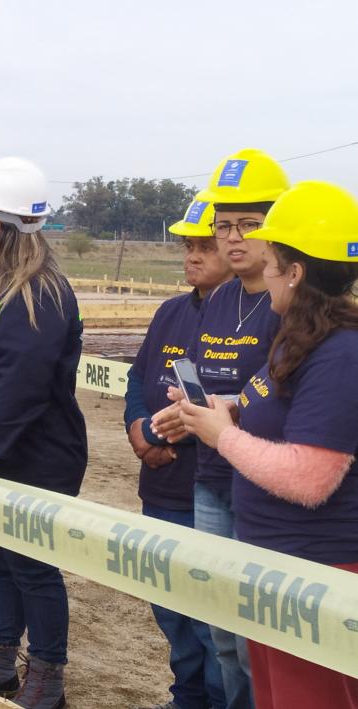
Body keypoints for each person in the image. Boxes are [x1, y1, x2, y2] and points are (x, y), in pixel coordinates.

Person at [176, 180, 358, 709]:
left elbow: (309, 478)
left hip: (315, 577)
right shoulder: (299, 337)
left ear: (295, 271)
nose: (263, 268)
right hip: (279, 565)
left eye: (272, 257)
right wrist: (230, 409)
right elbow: (278, 412)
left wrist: (222, 435)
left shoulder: (339, 352)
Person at [152, 148, 289, 709]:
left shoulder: (289, 301)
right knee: (223, 630)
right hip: (210, 477)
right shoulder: (222, 296)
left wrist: (223, 410)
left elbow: (284, 391)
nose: (233, 239)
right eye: (223, 225)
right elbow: (205, 373)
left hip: (262, 484)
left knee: (261, 634)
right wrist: (187, 404)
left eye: (248, 225)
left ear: (276, 226)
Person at [0, 157, 86, 709]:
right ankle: (1, 656)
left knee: (32, 566)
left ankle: (47, 675)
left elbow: (21, 386)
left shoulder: (42, 294)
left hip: (32, 457)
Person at [125, 199, 231, 709]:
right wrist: (141, 432)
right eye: (188, 246)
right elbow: (136, 379)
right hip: (162, 485)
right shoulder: (170, 312)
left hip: (206, 484)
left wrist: (170, 436)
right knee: (169, 604)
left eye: (203, 246)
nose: (192, 256)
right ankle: (186, 695)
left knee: (213, 614)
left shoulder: (244, 320)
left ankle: (215, 698)